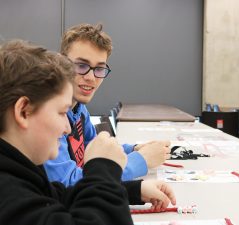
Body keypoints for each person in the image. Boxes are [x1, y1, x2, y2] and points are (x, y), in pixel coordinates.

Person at [0, 40, 176, 225]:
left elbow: (57, 196)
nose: (67, 128)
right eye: (61, 113)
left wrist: (133, 190)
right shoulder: (8, 195)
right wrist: (105, 169)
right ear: (23, 111)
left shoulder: (21, 172)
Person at [44, 23, 171, 186]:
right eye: (81, 65)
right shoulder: (47, 114)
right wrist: (142, 160)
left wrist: (134, 149)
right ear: (61, 63)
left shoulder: (79, 108)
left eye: (99, 69)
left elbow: (94, 146)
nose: (91, 77)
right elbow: (67, 183)